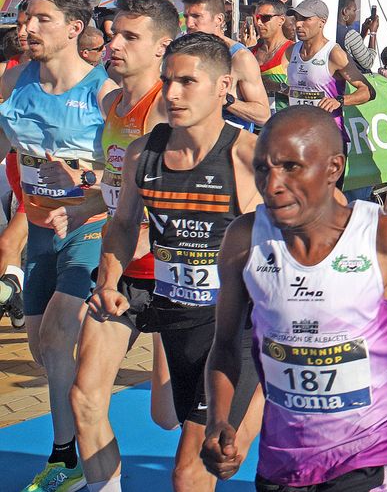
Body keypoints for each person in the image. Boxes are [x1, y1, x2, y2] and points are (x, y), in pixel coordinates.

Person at [202, 107, 387, 490]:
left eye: (291, 167)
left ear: (333, 168)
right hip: (285, 455)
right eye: (263, 169)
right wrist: (218, 419)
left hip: (373, 447)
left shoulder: (383, 237)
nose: (273, 184)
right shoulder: (245, 239)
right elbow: (225, 343)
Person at [87, 32, 265, 492]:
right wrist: (109, 281)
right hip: (178, 324)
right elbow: (124, 224)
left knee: (191, 472)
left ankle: (270, 387)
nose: (172, 94)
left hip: (238, 333)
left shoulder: (247, 156)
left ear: (224, 85)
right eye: (168, 81)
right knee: (177, 430)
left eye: (187, 82)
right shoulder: (143, 153)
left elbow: (321, 224)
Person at [0, 0, 117, 492]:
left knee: (55, 338)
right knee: (44, 352)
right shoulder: (13, 79)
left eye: (41, 19)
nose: (27, 28)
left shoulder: (103, 92)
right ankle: (78, 443)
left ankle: (68, 457)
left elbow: (126, 175)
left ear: (74, 28)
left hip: (90, 231)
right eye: (26, 18)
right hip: (41, 232)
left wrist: (88, 182)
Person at [73, 0, 181, 490]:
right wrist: (79, 204)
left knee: (166, 415)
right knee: (86, 397)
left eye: (128, 37)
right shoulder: (110, 101)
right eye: (112, 32)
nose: (111, 44)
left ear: (162, 47)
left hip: (176, 276)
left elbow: (169, 209)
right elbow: (119, 192)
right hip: (121, 273)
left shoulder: (166, 109)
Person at [181, 0, 272, 130]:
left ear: (219, 19)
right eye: (186, 17)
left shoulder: (240, 58)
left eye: (196, 16)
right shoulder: (183, 53)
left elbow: (263, 116)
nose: (189, 24)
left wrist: (225, 99)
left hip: (229, 146)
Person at [284, 0, 374, 130]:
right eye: (297, 18)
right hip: (298, 132)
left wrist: (340, 101)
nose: (298, 24)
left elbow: (368, 91)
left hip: (327, 135)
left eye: (305, 19)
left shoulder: (333, 53)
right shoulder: (292, 51)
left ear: (322, 22)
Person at [335, 0, 379, 74]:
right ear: (345, 11)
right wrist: (373, 33)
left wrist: (363, 33)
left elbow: (351, 48)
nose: (355, 14)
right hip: (350, 80)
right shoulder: (350, 34)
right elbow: (368, 62)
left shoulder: (332, 30)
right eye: (354, 10)